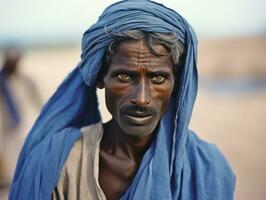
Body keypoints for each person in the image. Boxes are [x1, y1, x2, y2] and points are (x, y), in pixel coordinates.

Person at [9, 0, 235, 199]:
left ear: (176, 84)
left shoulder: (208, 168)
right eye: (125, 76)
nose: (142, 98)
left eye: (158, 78)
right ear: (100, 77)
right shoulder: (57, 162)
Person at [0, 47, 42, 188]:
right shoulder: (1, 81)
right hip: (4, 127)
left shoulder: (24, 80)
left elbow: (37, 100)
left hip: (22, 124)